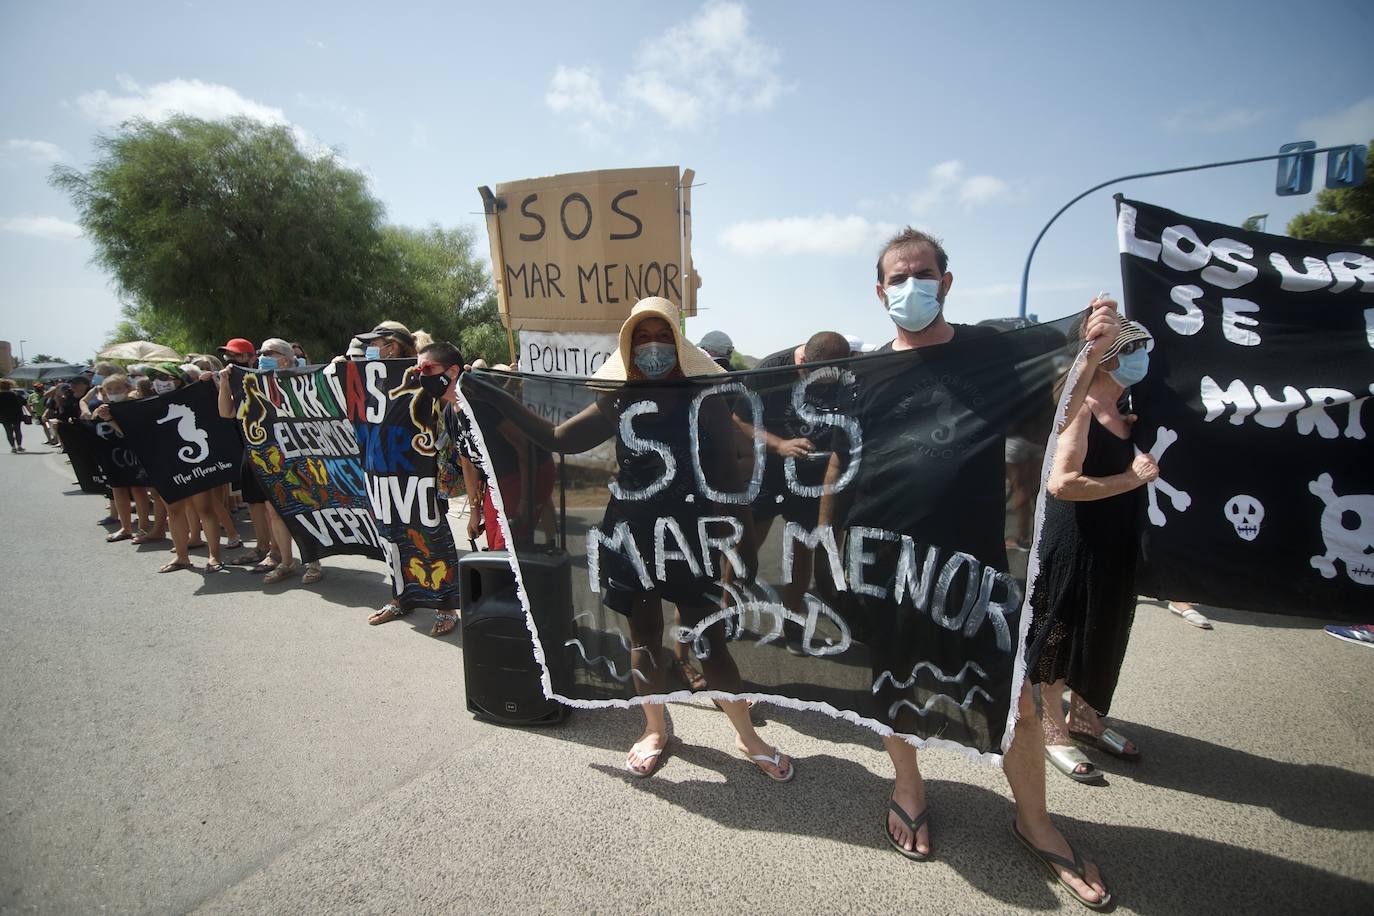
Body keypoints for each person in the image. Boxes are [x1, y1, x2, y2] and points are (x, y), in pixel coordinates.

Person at [824, 228, 1116, 907]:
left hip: (973, 567)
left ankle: (1035, 821)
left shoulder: (988, 351)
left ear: (946, 282)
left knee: (1015, 700)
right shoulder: (862, 375)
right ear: (879, 292)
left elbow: (1055, 400)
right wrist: (828, 545)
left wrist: (1096, 346)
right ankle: (908, 787)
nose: (910, 287)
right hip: (883, 562)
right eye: (897, 279)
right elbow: (840, 462)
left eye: (921, 274)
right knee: (893, 682)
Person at [479, 297, 795, 782]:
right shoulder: (620, 397)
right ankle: (654, 729)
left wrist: (743, 543)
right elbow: (561, 439)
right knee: (644, 640)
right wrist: (490, 393)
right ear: (629, 346)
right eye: (642, 338)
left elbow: (729, 476)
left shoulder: (705, 398)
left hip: (690, 540)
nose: (653, 346)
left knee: (710, 642)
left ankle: (747, 736)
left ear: (679, 342)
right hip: (630, 538)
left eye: (662, 336)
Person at [1028, 320, 1157, 784]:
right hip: (1076, 543)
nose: (1141, 359)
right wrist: (1130, 479)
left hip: (1114, 541)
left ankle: (1086, 718)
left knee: (1102, 629)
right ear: (1106, 358)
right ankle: (1051, 728)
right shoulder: (1079, 409)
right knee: (1060, 635)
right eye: (1133, 349)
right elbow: (1062, 484)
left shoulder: (1126, 408)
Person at [417, 340, 471, 636]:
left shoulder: (479, 402)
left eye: (427, 369)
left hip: (512, 488)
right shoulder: (451, 410)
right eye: (418, 371)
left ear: (452, 371)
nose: (422, 376)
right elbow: (468, 460)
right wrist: (476, 509)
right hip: (490, 495)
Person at [0, 379, 29, 453]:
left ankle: (13, 447)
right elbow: (25, 404)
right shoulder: (16, 395)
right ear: (9, 386)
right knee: (17, 430)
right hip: (16, 415)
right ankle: (19, 446)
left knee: (8, 432)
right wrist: (32, 414)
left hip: (4, 416)